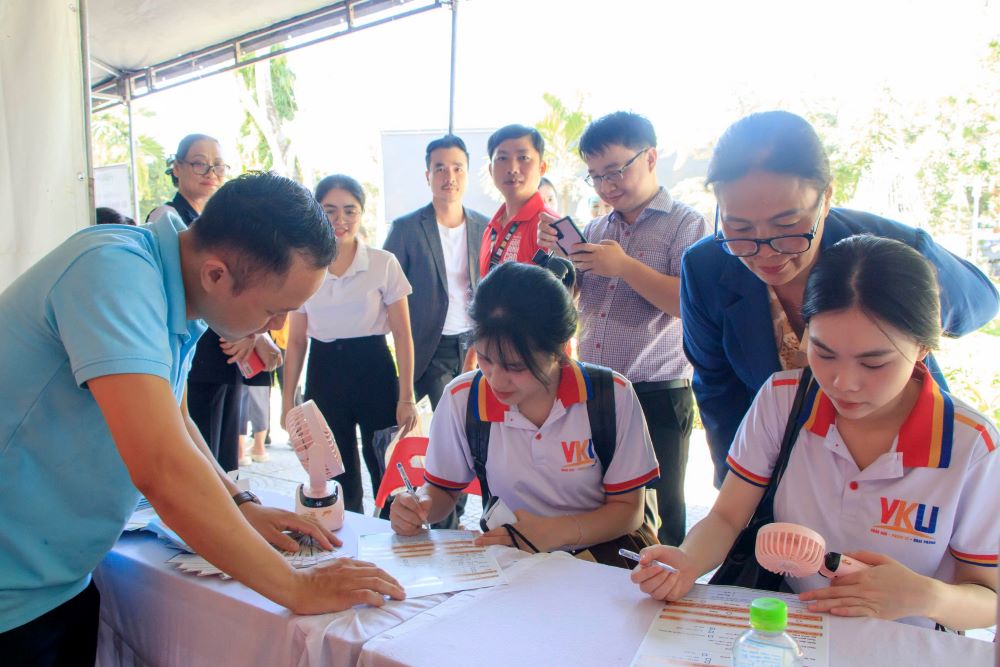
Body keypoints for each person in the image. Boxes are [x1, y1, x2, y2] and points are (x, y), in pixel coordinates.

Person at [0, 172, 404, 663]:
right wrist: (297, 588)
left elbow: (175, 417)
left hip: (59, 578)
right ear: (217, 274)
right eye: (277, 309)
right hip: (13, 591)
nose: (277, 327)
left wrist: (241, 504)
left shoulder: (179, 290)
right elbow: (162, 467)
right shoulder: (112, 272)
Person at [633, 235, 998, 630]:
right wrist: (688, 560)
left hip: (904, 643)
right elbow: (727, 516)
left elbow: (987, 598)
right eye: (823, 353)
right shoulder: (783, 401)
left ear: (923, 348)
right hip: (793, 631)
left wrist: (927, 596)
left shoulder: (969, 444)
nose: (843, 382)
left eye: (874, 363)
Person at [681, 110, 1000, 488]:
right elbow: (717, 386)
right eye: (739, 227)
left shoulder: (890, 248)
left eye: (787, 225)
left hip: (903, 464)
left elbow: (981, 303)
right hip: (788, 462)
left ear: (826, 197)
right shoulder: (705, 268)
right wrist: (736, 488)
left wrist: (900, 307)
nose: (766, 250)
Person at [390, 262, 660, 568]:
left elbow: (628, 509)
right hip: (514, 561)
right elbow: (443, 490)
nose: (496, 379)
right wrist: (421, 505)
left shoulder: (612, 396)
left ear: (560, 349)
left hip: (600, 561)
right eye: (485, 358)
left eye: (516, 367)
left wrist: (553, 533)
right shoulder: (462, 399)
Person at [538, 111, 710, 546]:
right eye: (594, 177)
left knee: (660, 506)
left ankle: (667, 586)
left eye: (615, 171)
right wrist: (562, 259)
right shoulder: (597, 228)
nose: (606, 185)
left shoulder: (687, 224)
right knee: (598, 499)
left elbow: (690, 305)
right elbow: (580, 302)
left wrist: (626, 268)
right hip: (596, 389)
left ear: (650, 158)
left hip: (657, 390)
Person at [283, 174, 419, 514]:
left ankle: (393, 543)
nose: (340, 220)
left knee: (386, 469)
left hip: (374, 368)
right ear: (316, 212)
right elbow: (297, 340)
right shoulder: (302, 266)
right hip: (325, 372)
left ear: (361, 213)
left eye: (349, 210)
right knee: (334, 470)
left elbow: (403, 334)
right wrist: (288, 402)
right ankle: (346, 546)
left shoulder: (382, 263)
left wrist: (406, 397)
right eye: (329, 210)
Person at [148, 133, 281, 472]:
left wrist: (256, 335)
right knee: (193, 454)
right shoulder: (167, 220)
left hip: (229, 356)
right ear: (176, 168)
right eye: (199, 163)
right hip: (192, 356)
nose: (210, 172)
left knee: (224, 457)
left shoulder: (227, 228)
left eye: (218, 165)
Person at [383, 135, 489, 409]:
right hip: (430, 347)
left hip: (477, 344)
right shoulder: (405, 229)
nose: (449, 175)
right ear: (428, 175)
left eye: (457, 168)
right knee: (446, 424)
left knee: (477, 423)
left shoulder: (485, 227)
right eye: (440, 168)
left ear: (467, 173)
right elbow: (386, 291)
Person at [478, 124, 557, 277]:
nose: (512, 168)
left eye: (523, 158)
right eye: (502, 158)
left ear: (542, 168)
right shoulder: (490, 228)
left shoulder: (549, 227)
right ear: (490, 170)